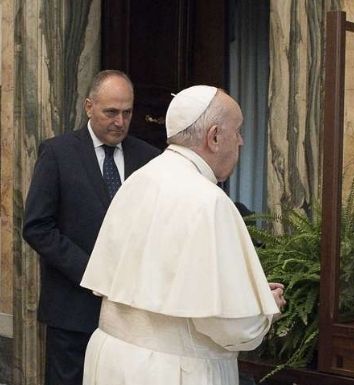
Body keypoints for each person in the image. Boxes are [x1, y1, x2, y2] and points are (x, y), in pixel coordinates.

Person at [80, 85, 286, 385]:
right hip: (173, 371)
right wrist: (264, 309)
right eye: (237, 131)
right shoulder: (209, 201)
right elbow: (230, 325)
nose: (241, 141)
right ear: (214, 137)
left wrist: (242, 291)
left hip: (113, 360)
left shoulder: (138, 180)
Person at [22, 70, 161, 385]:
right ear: (88, 107)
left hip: (132, 315)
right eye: (110, 112)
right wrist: (91, 272)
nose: (120, 121)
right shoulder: (58, 153)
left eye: (127, 112)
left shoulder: (149, 158)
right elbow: (37, 226)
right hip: (73, 310)